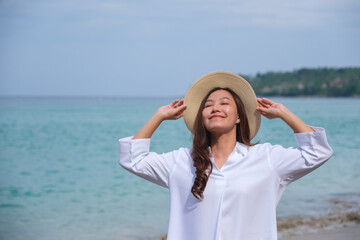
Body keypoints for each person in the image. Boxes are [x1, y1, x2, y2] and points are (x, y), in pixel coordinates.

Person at [118, 71, 333, 240]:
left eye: (224, 103)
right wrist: (159, 116)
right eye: (208, 105)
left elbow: (318, 152)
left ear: (239, 117)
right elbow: (132, 159)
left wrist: (284, 113)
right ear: (201, 118)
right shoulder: (181, 162)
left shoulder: (266, 158)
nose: (215, 108)